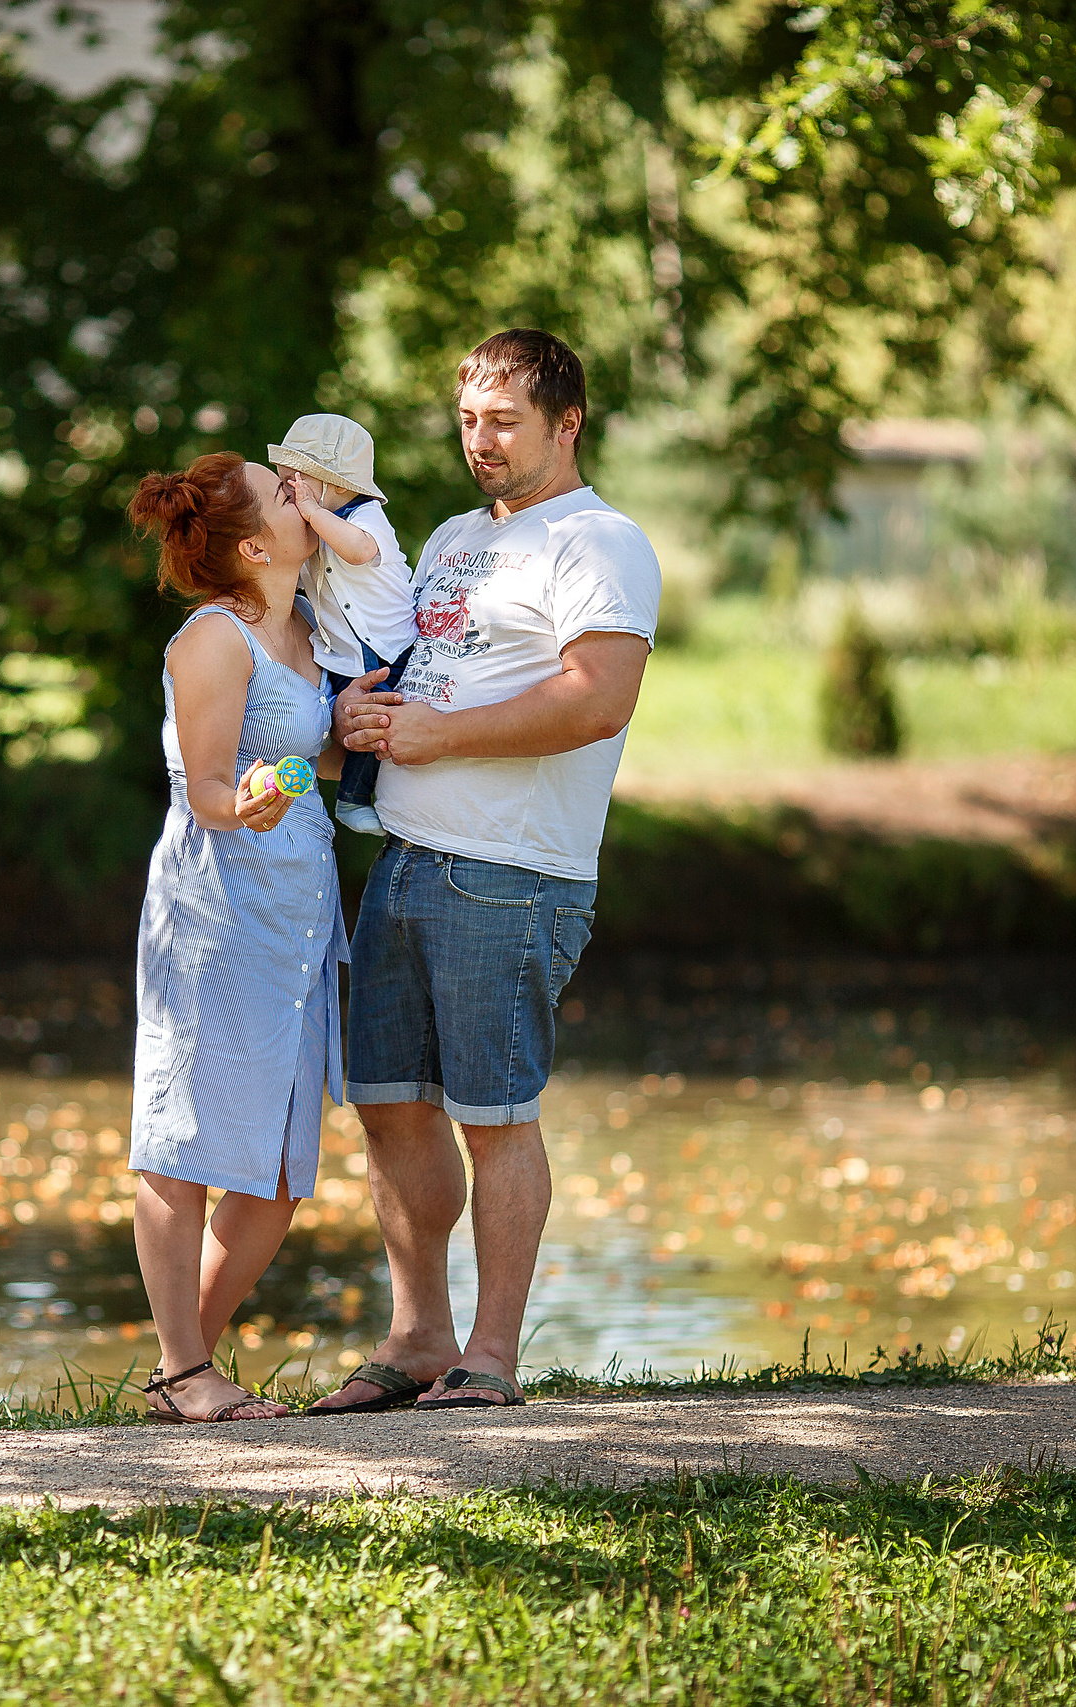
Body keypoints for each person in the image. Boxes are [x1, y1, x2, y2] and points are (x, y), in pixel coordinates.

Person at [308, 329, 659, 1414]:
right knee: (388, 1106)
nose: (481, 441)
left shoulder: (600, 542)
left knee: (493, 1115)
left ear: (567, 423)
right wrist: (354, 714)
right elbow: (406, 662)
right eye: (468, 419)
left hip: (510, 875)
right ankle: (419, 1340)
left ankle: (490, 1358)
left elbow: (596, 699)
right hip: (405, 862)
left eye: (504, 421)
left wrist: (438, 738)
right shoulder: (458, 534)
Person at [123, 450, 346, 1424]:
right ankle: (184, 1373)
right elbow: (210, 788)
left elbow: (308, 753)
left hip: (297, 911)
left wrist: (357, 730)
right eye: (284, 489)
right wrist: (243, 801)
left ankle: (182, 1369)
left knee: (282, 1170)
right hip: (216, 908)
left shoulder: (304, 624)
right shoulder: (212, 639)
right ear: (255, 541)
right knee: (181, 1145)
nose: (305, 492)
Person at [266, 413, 415, 835]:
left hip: (387, 645)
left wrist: (312, 513)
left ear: (333, 483)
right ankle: (306, 777)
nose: (292, 498)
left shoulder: (365, 518)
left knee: (375, 716)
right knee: (333, 716)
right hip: (343, 650)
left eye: (296, 486)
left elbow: (357, 551)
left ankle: (352, 799)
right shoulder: (317, 527)